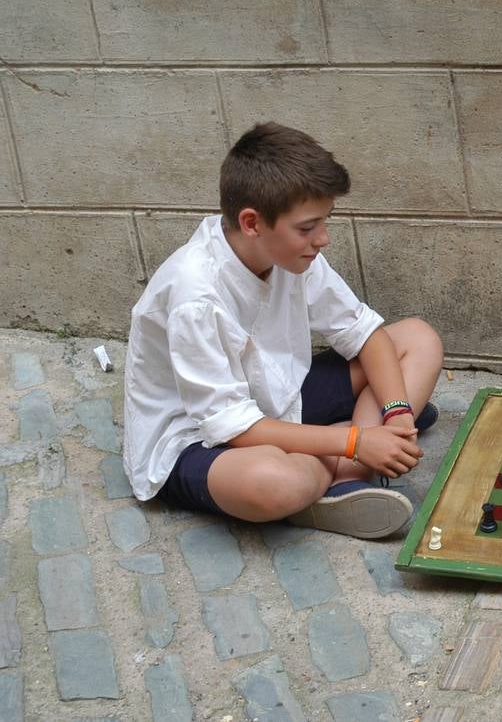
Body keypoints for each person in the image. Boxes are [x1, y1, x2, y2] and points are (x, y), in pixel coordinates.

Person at [123, 122, 444, 539]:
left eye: (324, 222)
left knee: (419, 339)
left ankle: (347, 478)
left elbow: (364, 332)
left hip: (279, 397)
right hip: (198, 439)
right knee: (273, 483)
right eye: (307, 228)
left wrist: (397, 410)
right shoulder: (194, 294)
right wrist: (355, 440)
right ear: (252, 223)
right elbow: (233, 426)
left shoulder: (291, 252)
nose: (323, 239)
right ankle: (350, 448)